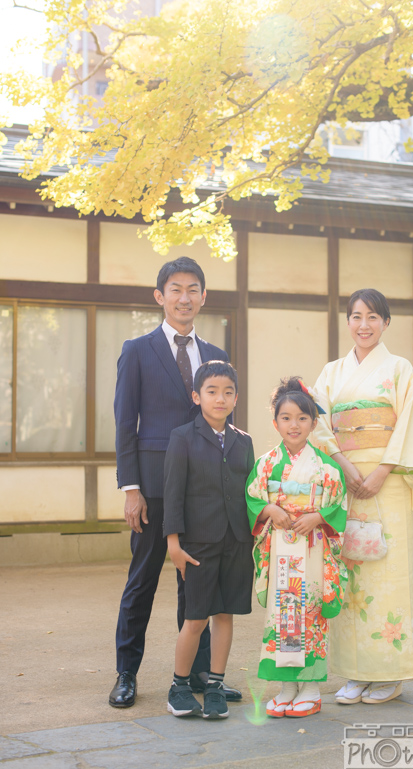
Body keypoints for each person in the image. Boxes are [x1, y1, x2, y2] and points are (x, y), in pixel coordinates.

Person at [110, 257, 241, 708]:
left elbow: (222, 421)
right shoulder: (137, 349)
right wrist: (131, 488)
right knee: (142, 580)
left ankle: (201, 675)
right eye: (176, 289)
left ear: (204, 296)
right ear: (160, 296)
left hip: (203, 490)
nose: (184, 297)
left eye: (193, 289)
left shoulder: (215, 356)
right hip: (152, 487)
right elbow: (126, 424)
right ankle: (126, 673)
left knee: (199, 584)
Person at [311, 288, 413, 705]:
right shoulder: (331, 373)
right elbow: (318, 423)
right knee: (348, 576)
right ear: (347, 321)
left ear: (386, 322)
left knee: (388, 574)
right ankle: (356, 671)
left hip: (390, 480)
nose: (364, 325)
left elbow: (410, 425)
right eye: (356, 316)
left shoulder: (400, 369)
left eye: (373, 317)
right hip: (345, 481)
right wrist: (345, 468)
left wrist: (383, 470)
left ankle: (389, 672)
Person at [246, 377, 348, 718]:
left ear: (313, 423)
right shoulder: (265, 464)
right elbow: (252, 498)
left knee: (311, 612)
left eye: (302, 418)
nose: (294, 425)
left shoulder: (327, 467)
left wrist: (319, 516)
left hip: (313, 548)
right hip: (280, 548)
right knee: (283, 612)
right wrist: (269, 509)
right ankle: (288, 686)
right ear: (275, 422)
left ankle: (312, 687)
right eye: (286, 418)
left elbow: (339, 503)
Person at [163, 361, 254, 718]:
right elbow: (173, 494)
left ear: (235, 397)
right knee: (196, 618)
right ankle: (179, 685)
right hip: (197, 545)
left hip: (236, 542)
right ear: (196, 396)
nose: (220, 398)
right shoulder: (182, 437)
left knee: (224, 615)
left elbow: (251, 492)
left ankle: (216, 683)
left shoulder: (243, 441)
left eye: (228, 392)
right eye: (212, 391)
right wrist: (173, 543)